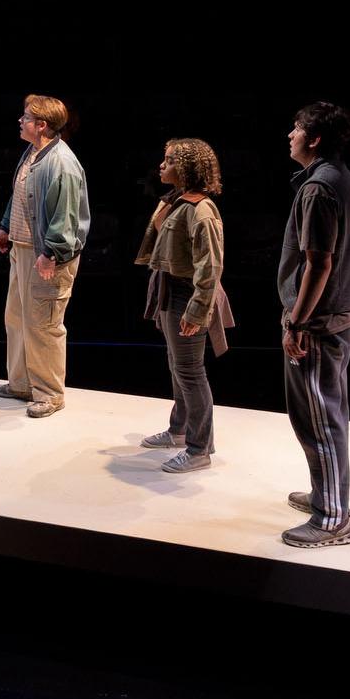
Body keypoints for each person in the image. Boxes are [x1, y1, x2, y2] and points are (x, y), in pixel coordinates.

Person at [276, 101, 350, 549]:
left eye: (295, 128)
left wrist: (297, 321)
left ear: (313, 139)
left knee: (319, 417)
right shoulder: (339, 178)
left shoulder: (319, 188)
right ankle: (326, 494)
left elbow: (319, 263)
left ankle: (333, 517)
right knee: (325, 410)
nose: (289, 134)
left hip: (321, 321)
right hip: (341, 312)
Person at [135, 138, 235, 471]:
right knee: (177, 366)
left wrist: (197, 310)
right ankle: (179, 429)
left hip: (186, 294)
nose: (161, 166)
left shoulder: (201, 209)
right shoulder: (176, 200)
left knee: (191, 372)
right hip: (170, 290)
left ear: (187, 168)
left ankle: (199, 448)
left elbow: (211, 265)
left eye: (169, 161)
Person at [0, 93, 89, 418]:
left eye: (26, 117)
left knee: (44, 324)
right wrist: (6, 226)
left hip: (45, 254)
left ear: (42, 125)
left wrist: (52, 253)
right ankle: (21, 383)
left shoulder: (61, 164)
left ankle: (49, 393)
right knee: (17, 317)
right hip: (23, 249)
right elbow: (20, 193)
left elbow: (66, 218)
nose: (21, 121)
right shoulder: (34, 152)